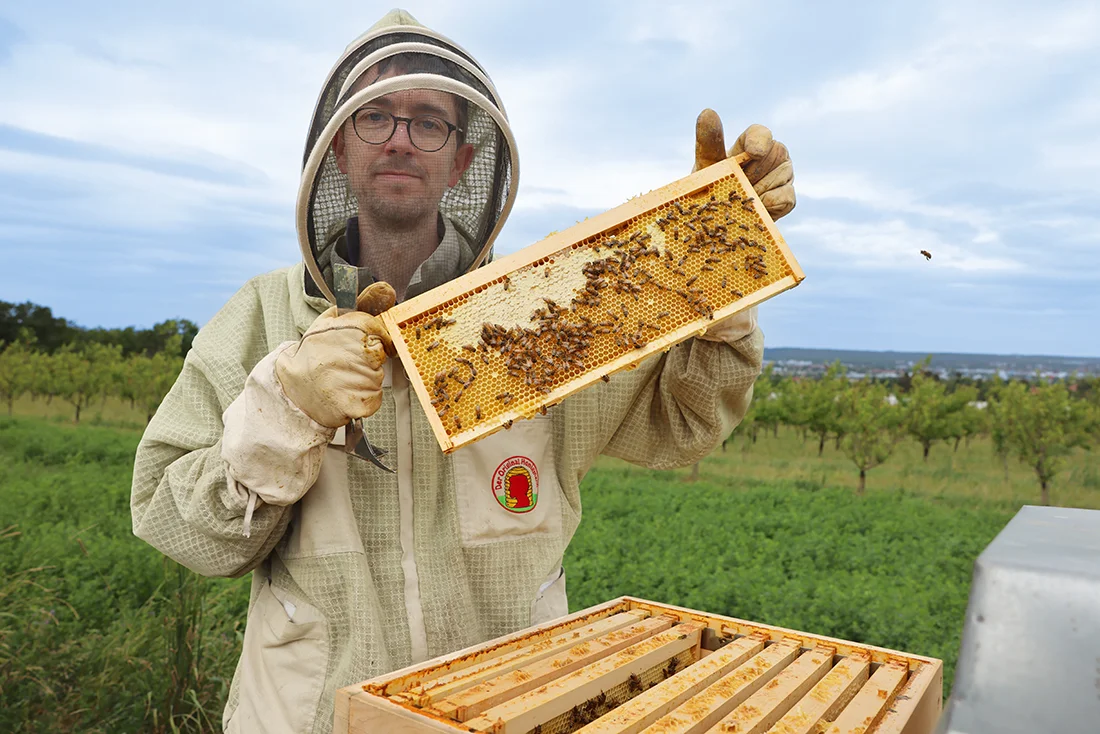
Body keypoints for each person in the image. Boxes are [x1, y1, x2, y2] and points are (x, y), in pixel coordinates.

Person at [130, 9, 796, 734]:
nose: (400, 140)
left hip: (517, 712)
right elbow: (180, 527)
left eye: (429, 123)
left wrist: (715, 265)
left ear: (464, 160)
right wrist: (285, 408)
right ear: (338, 148)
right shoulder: (260, 316)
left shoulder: (546, 311)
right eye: (375, 117)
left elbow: (684, 421)